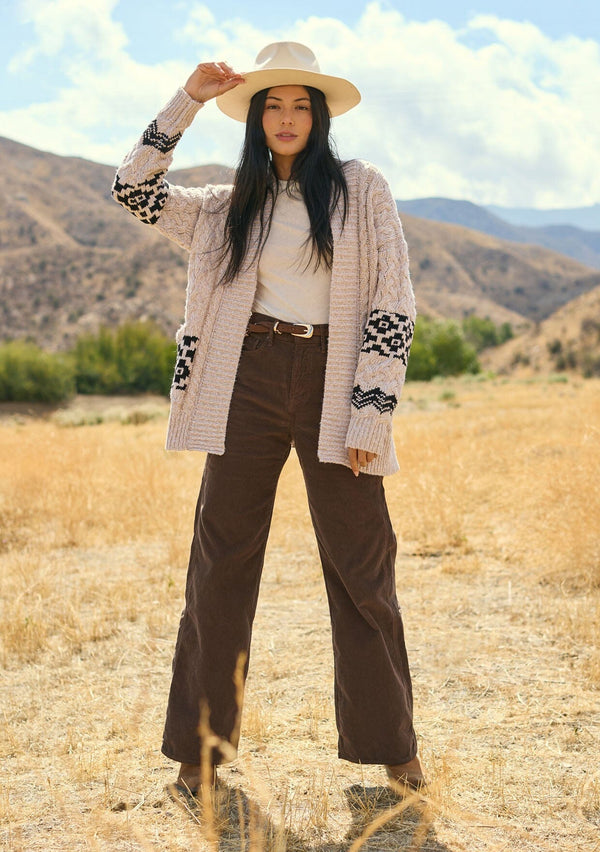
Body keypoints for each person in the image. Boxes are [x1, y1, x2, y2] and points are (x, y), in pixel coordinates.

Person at [112, 41, 424, 794]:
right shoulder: (223, 205)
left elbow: (392, 304)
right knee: (220, 566)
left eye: (300, 105)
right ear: (254, 120)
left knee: (362, 566)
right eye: (272, 105)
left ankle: (394, 749)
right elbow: (132, 191)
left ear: (319, 118)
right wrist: (186, 96)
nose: (286, 118)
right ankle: (200, 755)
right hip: (242, 379)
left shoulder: (360, 189)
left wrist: (369, 415)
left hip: (333, 378)